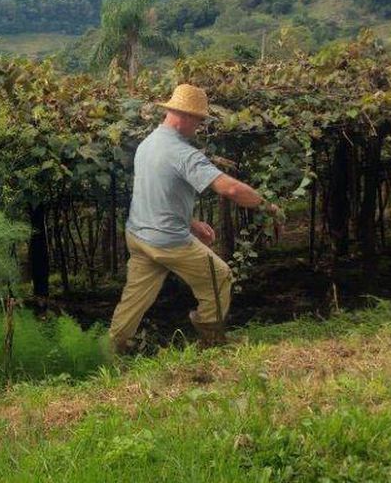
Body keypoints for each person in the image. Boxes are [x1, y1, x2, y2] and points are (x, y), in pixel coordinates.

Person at [109, 83, 280, 352]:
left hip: (139, 236)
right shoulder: (182, 153)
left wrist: (191, 222)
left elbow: (158, 194)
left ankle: (111, 350)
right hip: (168, 241)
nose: (199, 127)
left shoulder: (148, 144)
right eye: (199, 120)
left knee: (134, 300)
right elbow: (231, 188)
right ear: (186, 116)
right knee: (220, 276)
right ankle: (212, 340)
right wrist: (266, 206)